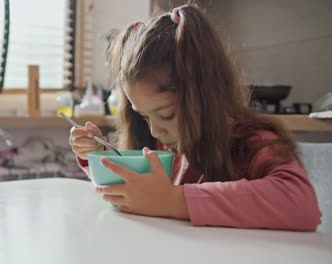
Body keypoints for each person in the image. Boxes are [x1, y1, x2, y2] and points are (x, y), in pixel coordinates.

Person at [68, 4, 322, 231]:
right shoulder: (165, 146)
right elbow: (133, 192)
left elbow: (301, 203)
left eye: (166, 114)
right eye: (144, 116)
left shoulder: (251, 142)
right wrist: (99, 154)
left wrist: (171, 200)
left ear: (206, 95)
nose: (155, 130)